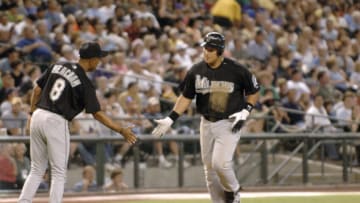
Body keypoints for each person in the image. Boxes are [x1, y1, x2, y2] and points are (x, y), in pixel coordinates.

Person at [18, 42, 137, 203]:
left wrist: (31, 114)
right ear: (92, 59)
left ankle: (23, 201)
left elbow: (37, 89)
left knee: (36, 169)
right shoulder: (85, 83)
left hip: (38, 115)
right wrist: (120, 129)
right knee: (59, 172)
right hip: (56, 120)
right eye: (98, 58)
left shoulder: (57, 65)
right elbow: (97, 113)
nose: (99, 62)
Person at [152, 32, 260, 203]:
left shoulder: (237, 70)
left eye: (210, 49)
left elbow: (254, 91)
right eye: (205, 48)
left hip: (229, 122)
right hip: (206, 122)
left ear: (219, 51)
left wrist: (246, 111)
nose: (206, 52)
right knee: (209, 170)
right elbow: (186, 97)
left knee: (221, 164)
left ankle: (233, 192)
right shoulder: (196, 70)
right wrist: (170, 118)